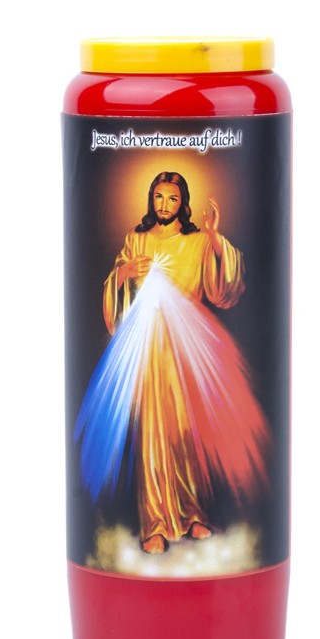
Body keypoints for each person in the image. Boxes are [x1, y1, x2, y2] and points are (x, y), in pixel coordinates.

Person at [76, 172, 269, 554]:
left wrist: (215, 237)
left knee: (188, 435)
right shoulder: (137, 240)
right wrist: (123, 274)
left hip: (187, 348)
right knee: (154, 435)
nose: (165, 205)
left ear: (183, 203)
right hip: (150, 347)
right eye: (159, 197)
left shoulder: (197, 242)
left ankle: (192, 513)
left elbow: (223, 289)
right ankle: (156, 524)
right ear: (152, 200)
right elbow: (117, 293)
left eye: (173, 198)